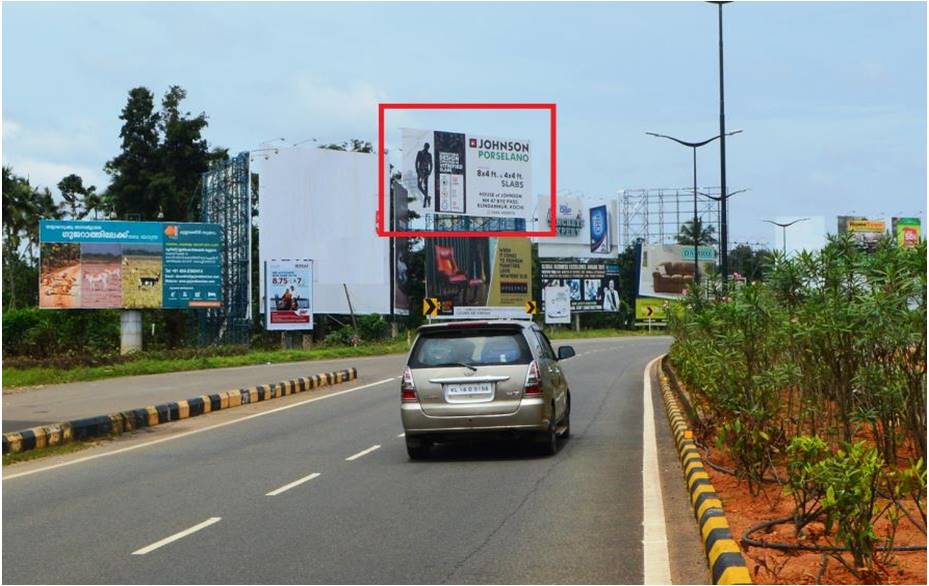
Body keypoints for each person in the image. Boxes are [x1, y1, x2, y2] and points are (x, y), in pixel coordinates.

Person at [415, 142, 433, 208]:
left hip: (426, 172)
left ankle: (425, 203)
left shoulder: (429, 155)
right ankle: (427, 197)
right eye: (426, 146)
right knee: (419, 186)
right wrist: (417, 170)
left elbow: (431, 164)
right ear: (424, 146)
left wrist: (430, 171)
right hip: (420, 171)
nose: (426, 148)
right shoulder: (420, 152)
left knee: (426, 187)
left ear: (428, 148)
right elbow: (416, 162)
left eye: (427, 147)